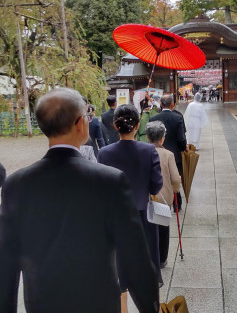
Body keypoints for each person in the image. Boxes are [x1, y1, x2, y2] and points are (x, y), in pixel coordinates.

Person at [0, 88, 160, 313]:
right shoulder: (110, 180)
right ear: (78, 124)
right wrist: (150, 307)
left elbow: (6, 262)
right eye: (87, 116)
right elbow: (136, 258)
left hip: (41, 303)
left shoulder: (16, 184)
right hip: (98, 302)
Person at [97, 104, 163, 313]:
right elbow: (156, 185)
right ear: (137, 125)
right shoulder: (149, 150)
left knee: (119, 268)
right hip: (143, 217)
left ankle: (122, 310)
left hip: (115, 220)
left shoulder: (105, 153)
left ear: (115, 126)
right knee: (147, 266)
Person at [146, 121, 181, 269]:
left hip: (145, 197)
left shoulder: (142, 151)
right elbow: (175, 178)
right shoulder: (168, 155)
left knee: (147, 228)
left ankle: (148, 257)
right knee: (163, 228)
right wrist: (176, 189)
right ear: (162, 139)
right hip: (163, 198)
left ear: (147, 137)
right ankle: (162, 259)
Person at [150, 95, 187, 212]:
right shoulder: (178, 117)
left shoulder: (154, 118)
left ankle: (161, 200)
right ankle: (177, 204)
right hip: (175, 154)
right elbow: (181, 138)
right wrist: (182, 148)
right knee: (174, 177)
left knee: (160, 177)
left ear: (161, 104)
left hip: (157, 153)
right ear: (172, 104)